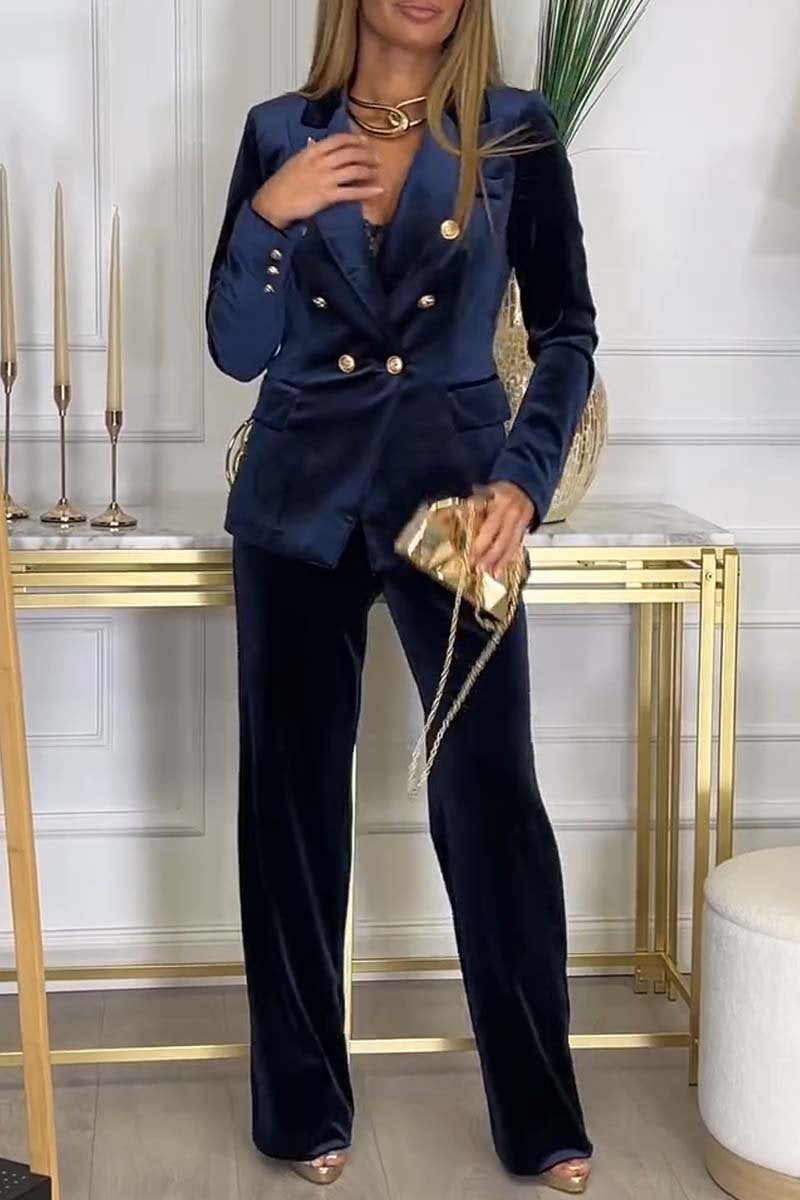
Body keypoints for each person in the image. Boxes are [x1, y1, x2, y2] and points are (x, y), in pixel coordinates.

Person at [206, 0, 598, 1192]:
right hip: (300, 502)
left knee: (492, 803)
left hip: (456, 508)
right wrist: (267, 219)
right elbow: (235, 346)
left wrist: (521, 483)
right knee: (289, 810)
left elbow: (567, 333)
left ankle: (539, 1115)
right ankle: (300, 1109)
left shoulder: (514, 133)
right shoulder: (278, 133)